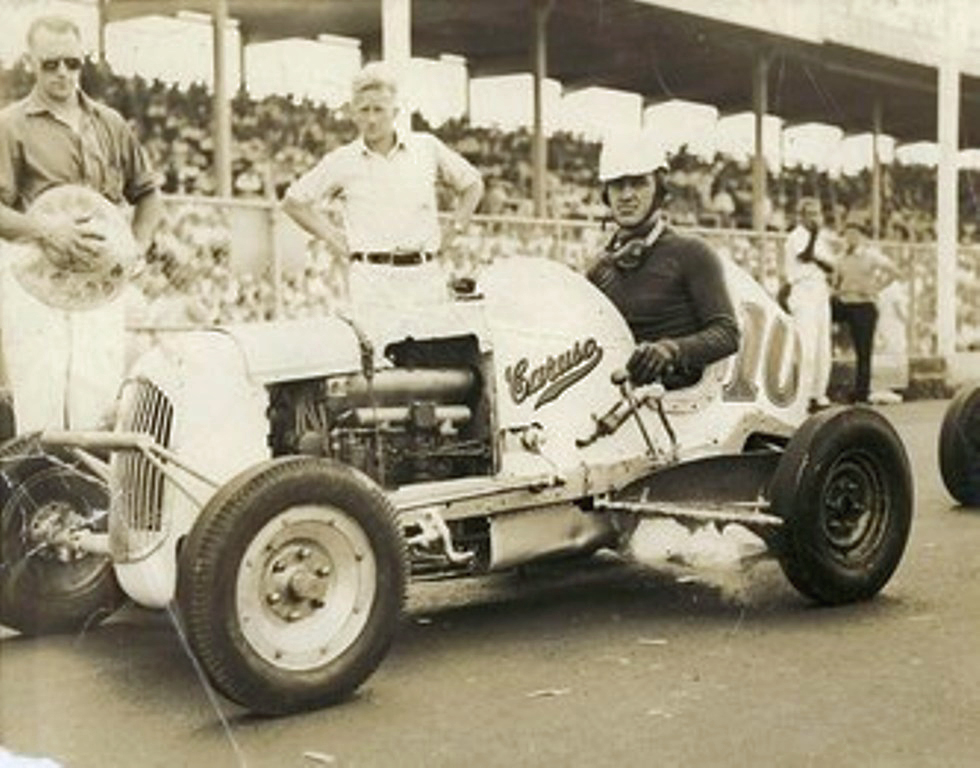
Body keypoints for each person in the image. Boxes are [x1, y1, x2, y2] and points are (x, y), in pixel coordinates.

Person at [0, 15, 163, 433]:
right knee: (41, 394)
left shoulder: (110, 123)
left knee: (98, 393)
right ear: (31, 63)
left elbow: (148, 194)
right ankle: (42, 477)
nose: (62, 73)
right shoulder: (10, 125)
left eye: (72, 62)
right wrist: (46, 231)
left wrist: (136, 249)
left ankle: (90, 479)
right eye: (50, 63)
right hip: (36, 277)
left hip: (99, 280)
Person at [282, 61, 484, 332]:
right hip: (372, 280)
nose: (371, 119)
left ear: (395, 112)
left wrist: (455, 228)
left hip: (424, 275)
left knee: (432, 352)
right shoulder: (342, 160)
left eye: (379, 109)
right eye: (364, 110)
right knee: (379, 355)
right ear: (353, 114)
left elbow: (473, 184)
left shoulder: (426, 148)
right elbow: (294, 202)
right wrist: (332, 237)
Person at [587, 133, 740, 389]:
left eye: (638, 183)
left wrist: (670, 350)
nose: (626, 195)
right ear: (606, 194)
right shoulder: (599, 268)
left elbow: (726, 333)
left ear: (658, 189)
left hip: (674, 402)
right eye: (617, 185)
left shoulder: (692, 252)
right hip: (614, 397)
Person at [832, 214, 898, 404]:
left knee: (863, 351)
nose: (850, 237)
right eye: (848, 234)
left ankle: (861, 392)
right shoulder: (841, 258)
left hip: (863, 305)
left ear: (861, 235)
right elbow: (836, 282)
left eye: (854, 234)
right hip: (845, 303)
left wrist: (876, 288)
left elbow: (893, 271)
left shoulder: (870, 255)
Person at [781, 196, 835, 412]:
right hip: (803, 289)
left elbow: (830, 266)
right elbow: (805, 256)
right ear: (801, 216)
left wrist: (818, 258)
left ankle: (818, 394)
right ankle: (801, 398)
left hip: (820, 289)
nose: (815, 218)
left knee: (823, 346)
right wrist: (813, 237)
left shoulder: (821, 238)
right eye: (810, 213)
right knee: (806, 346)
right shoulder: (795, 236)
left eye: (817, 213)